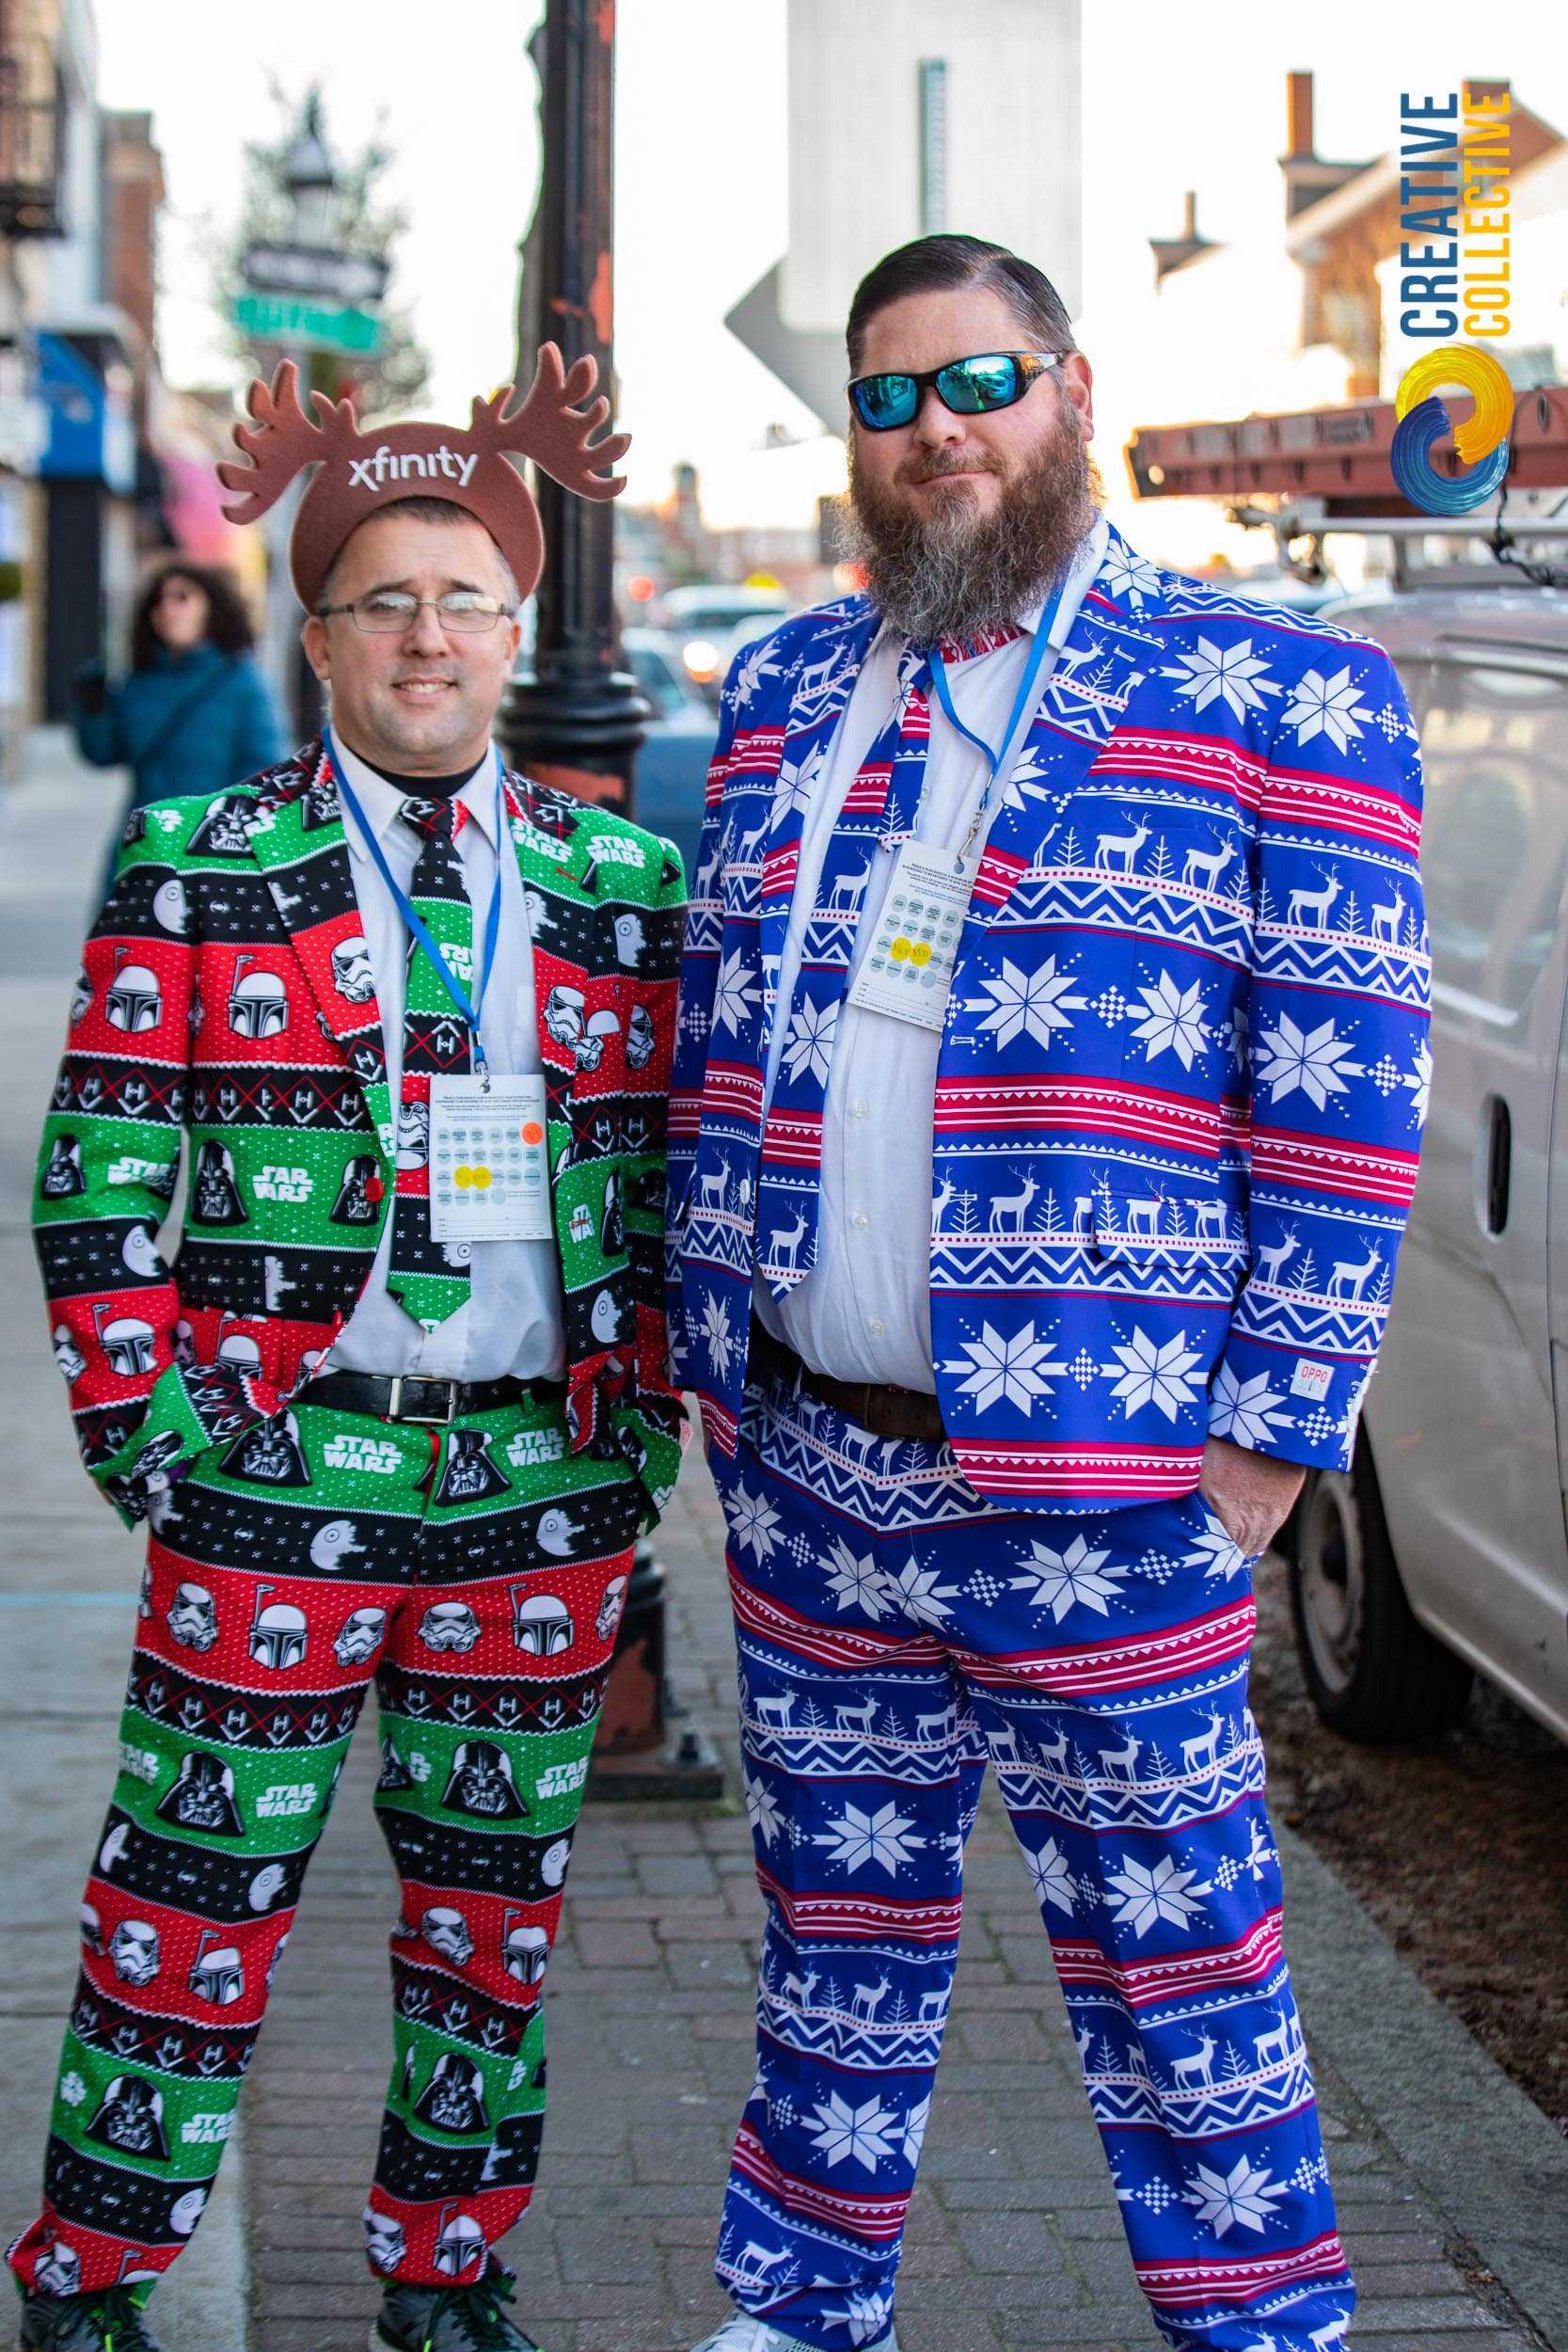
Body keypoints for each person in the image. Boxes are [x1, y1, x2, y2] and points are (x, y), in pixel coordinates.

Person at [668, 234, 1430, 2352]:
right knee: (833, 1919)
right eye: (889, 396)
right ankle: (800, 2301)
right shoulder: (779, 691)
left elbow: (1347, 1084)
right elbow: (717, 1036)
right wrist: (705, 1355)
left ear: (1067, 389)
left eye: (975, 379)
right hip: (813, 1457)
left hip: (1104, 1479)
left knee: (1173, 1955)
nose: (936, 431)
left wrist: (1275, 1425)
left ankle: (1257, 2323)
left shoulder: (1271, 689)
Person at [13, 347, 687, 2352]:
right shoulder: (204, 860)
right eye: (380, 596)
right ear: (310, 632)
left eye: (464, 595)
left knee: (492, 1925)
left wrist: (634, 1428)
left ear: (518, 625)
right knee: (186, 1900)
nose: (427, 634)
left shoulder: (621, 885)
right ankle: (94, 2277)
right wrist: (158, 1443)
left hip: (539, 1491)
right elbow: (96, 1185)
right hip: (278, 1472)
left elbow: (668, 1183)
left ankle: (442, 2271)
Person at [73, 559, 284, 901]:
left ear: (211, 608)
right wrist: (93, 708)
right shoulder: (141, 682)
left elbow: (264, 771)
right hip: (144, 847)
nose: (167, 610)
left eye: (182, 598)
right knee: (126, 950)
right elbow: (104, 753)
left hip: (212, 855)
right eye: (158, 601)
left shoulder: (242, 682)